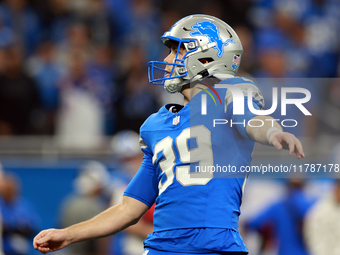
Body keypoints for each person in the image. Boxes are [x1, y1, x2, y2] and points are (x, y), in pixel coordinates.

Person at [33, 14, 305, 255]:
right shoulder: (157, 124)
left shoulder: (230, 93)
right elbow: (128, 209)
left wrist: (272, 132)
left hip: (215, 245)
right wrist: (68, 234)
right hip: (162, 246)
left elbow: (252, 119)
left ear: (206, 56)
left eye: (176, 51)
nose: (166, 59)